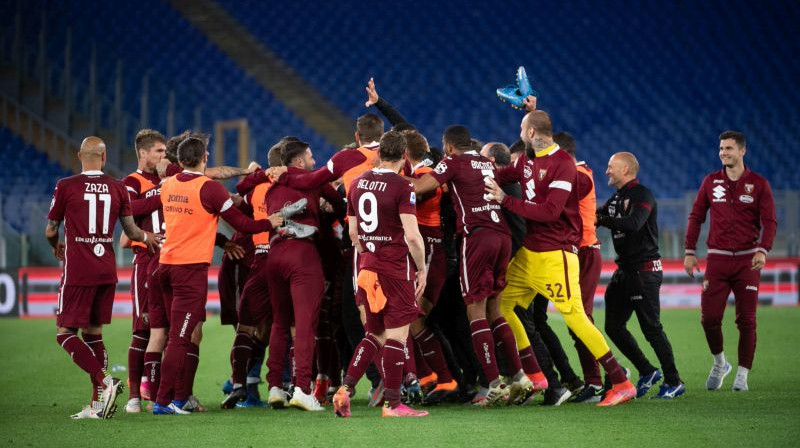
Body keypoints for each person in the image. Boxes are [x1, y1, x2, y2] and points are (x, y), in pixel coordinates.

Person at [485, 110, 636, 407]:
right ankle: (535, 374)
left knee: (575, 317)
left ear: (530, 133)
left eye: (521, 129)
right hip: (529, 253)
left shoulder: (563, 164)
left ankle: (621, 381)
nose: (519, 133)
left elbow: (550, 212)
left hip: (556, 255)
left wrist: (506, 200)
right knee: (502, 305)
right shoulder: (527, 159)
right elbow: (501, 175)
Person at [153, 136, 282, 415]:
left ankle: (177, 398)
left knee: (179, 336)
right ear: (205, 158)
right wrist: (269, 222)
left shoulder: (168, 185)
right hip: (189, 271)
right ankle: (164, 401)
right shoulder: (209, 188)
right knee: (180, 337)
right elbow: (243, 223)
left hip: (165, 266)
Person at [411, 125, 534, 406]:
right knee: (494, 309)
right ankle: (518, 376)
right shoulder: (485, 161)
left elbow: (421, 186)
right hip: (502, 237)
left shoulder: (452, 162)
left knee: (474, 311)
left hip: (478, 238)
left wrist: (386, 176)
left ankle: (494, 384)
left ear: (449, 147)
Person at [46, 136, 159, 419]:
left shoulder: (66, 186)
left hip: (78, 272)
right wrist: (149, 237)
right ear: (104, 156)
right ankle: (98, 406)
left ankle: (105, 381)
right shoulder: (118, 187)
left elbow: (50, 229)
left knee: (64, 334)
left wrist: (55, 245)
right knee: (94, 334)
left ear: (79, 155)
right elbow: (132, 232)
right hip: (106, 270)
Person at [332, 130, 429, 418]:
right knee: (397, 337)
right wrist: (421, 268)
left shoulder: (358, 182)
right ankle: (393, 403)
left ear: (377, 154)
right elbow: (412, 236)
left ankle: (345, 389)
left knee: (374, 333)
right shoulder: (402, 186)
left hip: (367, 267)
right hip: (394, 268)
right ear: (404, 156)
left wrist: (371, 251)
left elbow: (352, 233)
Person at [684, 130, 777, 392]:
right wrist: (689, 251)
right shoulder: (711, 182)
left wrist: (763, 250)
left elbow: (769, 221)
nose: (723, 153)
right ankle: (720, 363)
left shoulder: (759, 184)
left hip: (748, 261)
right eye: (721, 148)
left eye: (729, 148)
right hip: (718, 260)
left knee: (746, 320)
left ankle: (743, 375)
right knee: (709, 318)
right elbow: (696, 216)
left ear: (742, 151)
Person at [263, 140, 344, 412]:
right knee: (305, 324)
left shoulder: (271, 187)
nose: (313, 161)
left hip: (274, 255)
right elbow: (341, 205)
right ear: (298, 161)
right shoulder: (312, 180)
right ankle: (301, 389)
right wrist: (327, 210)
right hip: (303, 255)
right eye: (310, 157)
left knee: (279, 323)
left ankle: (275, 386)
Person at [597, 152, 685, 399]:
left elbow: (634, 223)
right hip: (624, 272)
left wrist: (602, 219)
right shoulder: (617, 198)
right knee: (613, 326)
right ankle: (647, 371)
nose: (607, 171)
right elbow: (596, 216)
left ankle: (674, 381)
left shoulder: (642, 195)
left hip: (644, 271)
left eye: (610, 166)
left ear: (625, 170)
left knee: (651, 328)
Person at [122, 129, 167, 413]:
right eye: (159, 151)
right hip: (145, 264)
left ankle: (162, 393)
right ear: (143, 153)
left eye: (165, 151)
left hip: (172, 262)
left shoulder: (171, 179)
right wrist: (162, 191)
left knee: (168, 330)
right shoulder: (131, 181)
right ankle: (134, 397)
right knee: (143, 330)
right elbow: (127, 211)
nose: (164, 156)